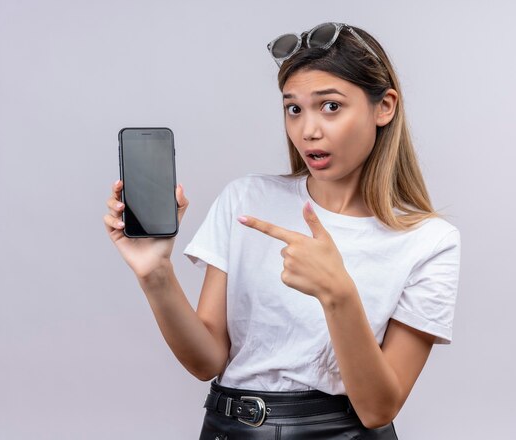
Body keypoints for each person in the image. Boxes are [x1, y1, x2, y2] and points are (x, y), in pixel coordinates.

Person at [104, 22, 461, 439]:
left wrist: (337, 293)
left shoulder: (430, 241)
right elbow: (207, 361)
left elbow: (379, 409)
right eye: (294, 108)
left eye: (330, 106)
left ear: (384, 107)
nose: (308, 130)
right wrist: (155, 274)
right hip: (228, 429)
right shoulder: (246, 199)